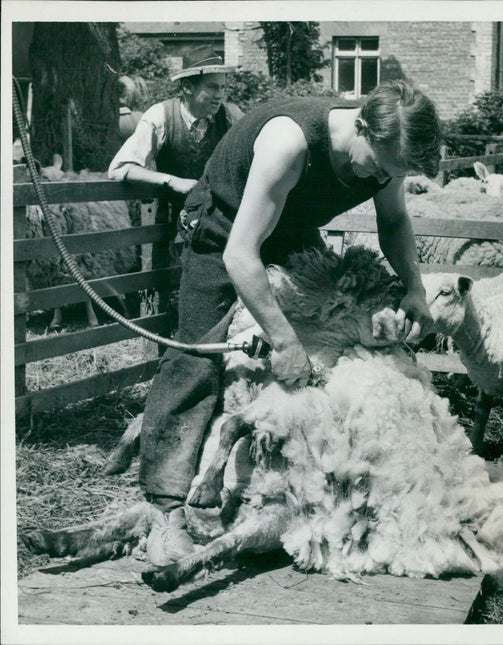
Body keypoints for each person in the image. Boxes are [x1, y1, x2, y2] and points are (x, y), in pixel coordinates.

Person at [138, 79, 442, 566]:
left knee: (328, 333)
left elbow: (394, 222)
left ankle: (300, 477)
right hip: (224, 232)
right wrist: (281, 339)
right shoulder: (290, 141)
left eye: (393, 174)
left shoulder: (387, 151)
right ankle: (164, 508)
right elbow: (241, 254)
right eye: (381, 169)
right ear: (362, 127)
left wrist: (415, 286)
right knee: (199, 355)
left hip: (290, 227)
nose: (382, 180)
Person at [108, 46, 244, 230]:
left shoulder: (231, 116)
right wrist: (171, 181)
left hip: (217, 227)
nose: (219, 95)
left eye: (222, 87)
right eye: (212, 87)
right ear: (187, 86)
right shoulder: (160, 117)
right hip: (170, 227)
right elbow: (119, 168)